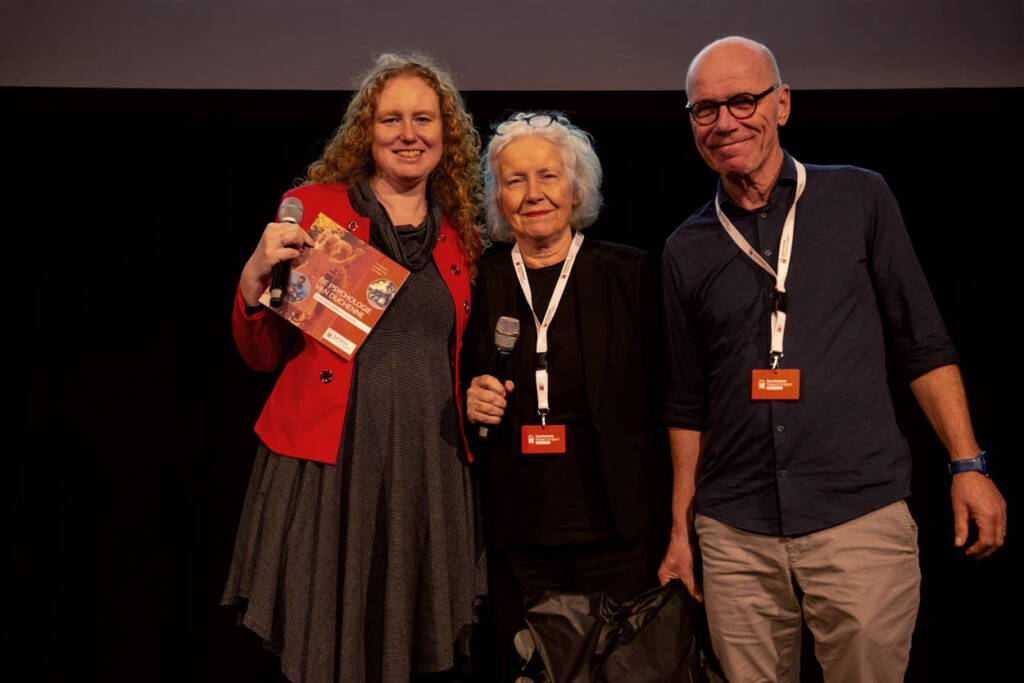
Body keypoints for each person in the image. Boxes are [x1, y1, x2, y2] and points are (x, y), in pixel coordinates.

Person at [658, 36, 1007, 682]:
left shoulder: (859, 198)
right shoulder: (686, 247)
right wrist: (683, 529)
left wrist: (968, 463)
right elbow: (687, 401)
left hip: (857, 515)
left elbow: (922, 341)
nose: (725, 122)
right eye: (705, 109)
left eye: (743, 101)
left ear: (782, 103)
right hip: (736, 533)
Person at [222, 53, 485, 683]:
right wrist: (254, 276)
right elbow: (262, 354)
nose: (408, 134)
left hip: (426, 466)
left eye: (423, 119)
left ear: (446, 134)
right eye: (391, 119)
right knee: (323, 643)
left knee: (404, 643)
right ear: (366, 131)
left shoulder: (462, 236)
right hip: (328, 462)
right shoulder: (313, 211)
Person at [464, 112, 667, 679]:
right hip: (518, 535)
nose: (534, 194)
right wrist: (468, 398)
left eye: (548, 176)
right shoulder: (479, 281)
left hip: (618, 529)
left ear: (576, 188)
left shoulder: (630, 273)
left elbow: (667, 397)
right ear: (497, 198)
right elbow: (453, 383)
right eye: (515, 180)